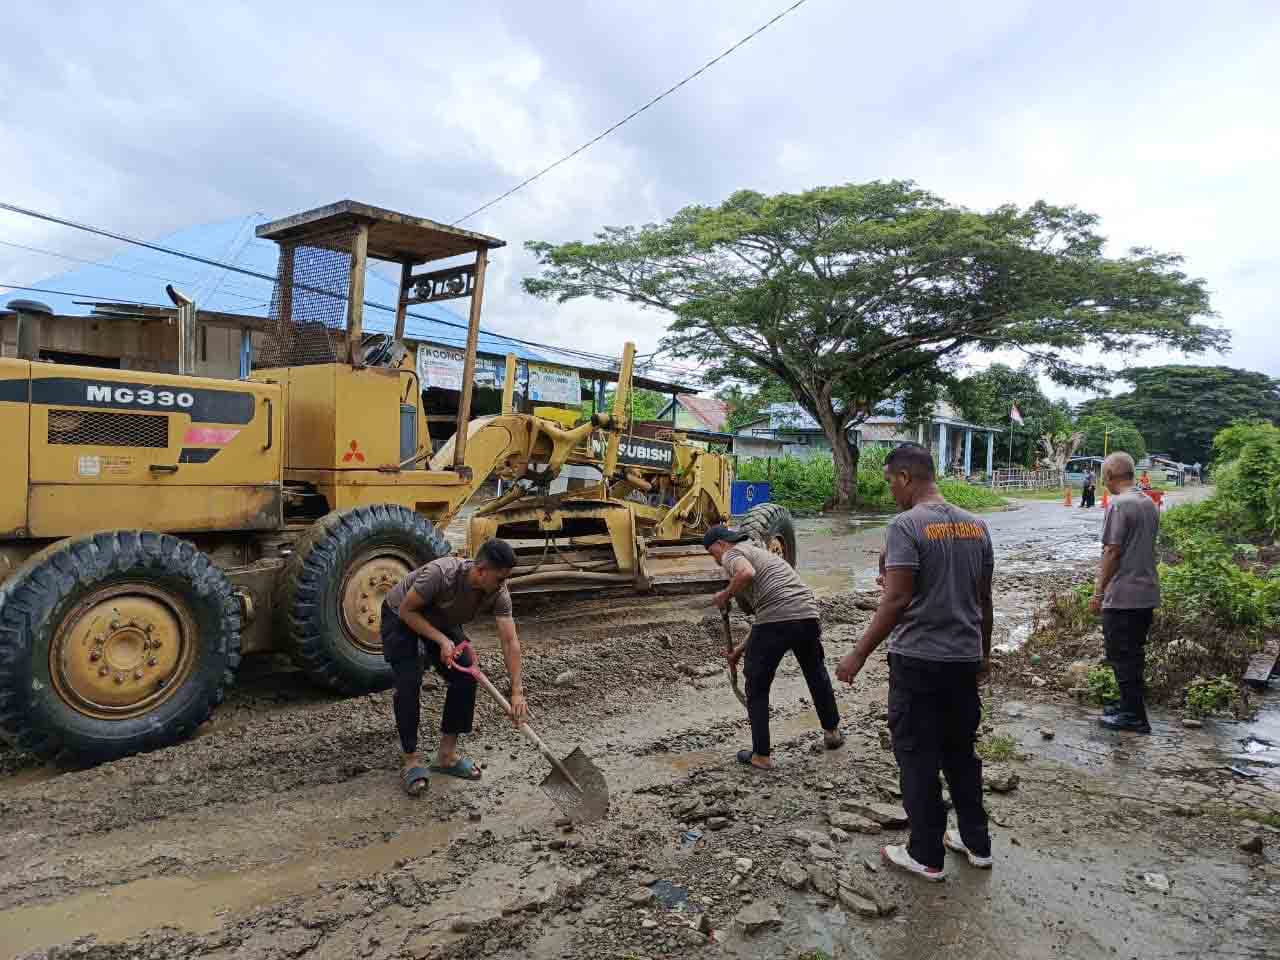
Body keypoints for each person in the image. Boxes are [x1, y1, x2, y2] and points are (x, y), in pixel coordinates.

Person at [836, 443, 993, 882]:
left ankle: (926, 854)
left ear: (906, 478)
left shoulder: (905, 525)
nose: (890, 491)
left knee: (917, 755)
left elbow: (897, 599)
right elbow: (983, 599)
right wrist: (982, 654)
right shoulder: (977, 525)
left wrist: (857, 654)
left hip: (918, 661)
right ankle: (977, 843)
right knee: (960, 753)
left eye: (890, 482)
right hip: (963, 659)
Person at [381, 539, 528, 795]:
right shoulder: (441, 574)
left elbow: (509, 641)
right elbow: (407, 611)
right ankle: (411, 760)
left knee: (467, 675)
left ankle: (446, 756)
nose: (503, 584)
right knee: (409, 680)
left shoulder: (498, 592)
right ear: (481, 571)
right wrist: (441, 640)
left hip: (440, 618)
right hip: (402, 614)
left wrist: (517, 691)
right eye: (500, 578)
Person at [704, 526, 843, 770]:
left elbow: (746, 574)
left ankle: (761, 755)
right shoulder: (761, 554)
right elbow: (765, 616)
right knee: (815, 673)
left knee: (756, 685)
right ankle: (832, 732)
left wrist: (725, 594)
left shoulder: (732, 554)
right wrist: (739, 651)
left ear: (720, 544)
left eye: (711, 553)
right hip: (807, 614)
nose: (715, 560)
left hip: (777, 619)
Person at [1090, 452, 1161, 733]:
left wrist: (1098, 593)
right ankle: (1128, 705)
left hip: (1123, 595)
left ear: (1108, 476)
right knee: (1134, 654)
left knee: (1121, 655)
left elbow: (1112, 551)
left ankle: (1134, 716)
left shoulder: (1119, 504)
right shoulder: (1148, 502)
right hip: (1146, 591)